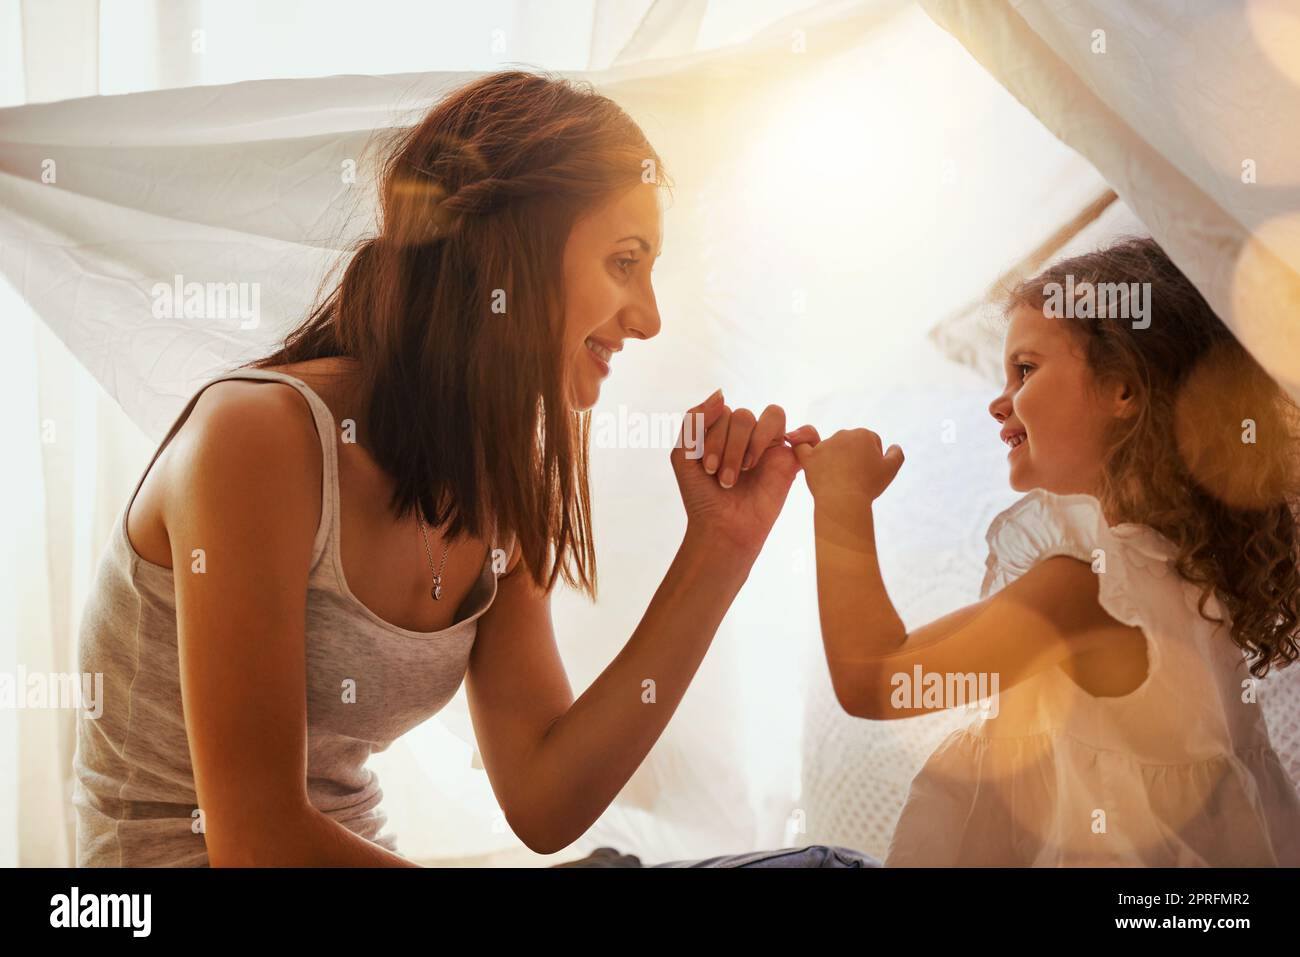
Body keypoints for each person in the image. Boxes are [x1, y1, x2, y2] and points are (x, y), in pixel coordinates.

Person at [73, 70, 812, 866]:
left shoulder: (493, 480)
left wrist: (719, 549)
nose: (649, 317)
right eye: (625, 262)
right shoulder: (257, 438)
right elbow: (258, 842)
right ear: (511, 249)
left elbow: (544, 795)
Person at [792, 237, 1300, 866]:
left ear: (1123, 389)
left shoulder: (1088, 589)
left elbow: (875, 681)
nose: (998, 400)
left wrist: (841, 505)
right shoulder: (1178, 571)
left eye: (1025, 370)